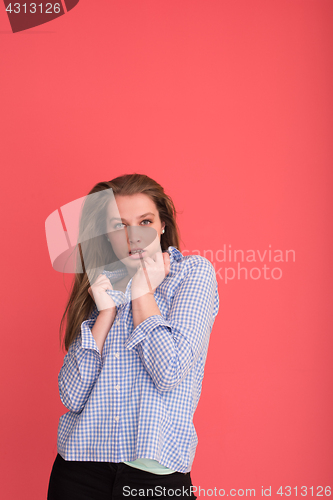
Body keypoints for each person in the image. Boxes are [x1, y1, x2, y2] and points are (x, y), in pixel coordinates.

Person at [47, 173, 220, 500]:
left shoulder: (192, 274)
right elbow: (71, 396)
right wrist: (106, 313)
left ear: (163, 225)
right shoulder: (101, 284)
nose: (134, 236)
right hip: (79, 470)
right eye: (119, 226)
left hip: (154, 479)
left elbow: (169, 372)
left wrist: (141, 287)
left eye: (145, 221)